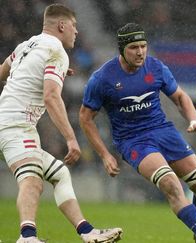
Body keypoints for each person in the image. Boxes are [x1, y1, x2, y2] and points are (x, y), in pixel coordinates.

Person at [79, 22, 196, 243]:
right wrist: (104, 154)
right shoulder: (102, 78)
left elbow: (181, 97)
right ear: (121, 49)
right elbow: (85, 118)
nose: (140, 52)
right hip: (134, 141)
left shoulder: (156, 67)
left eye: (143, 46)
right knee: (171, 184)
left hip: (164, 131)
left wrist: (193, 120)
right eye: (133, 47)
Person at [0, 4, 122, 243]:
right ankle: (27, 237)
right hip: (16, 125)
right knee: (32, 179)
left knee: (59, 174)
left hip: (10, 122)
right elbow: (51, 96)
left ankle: (87, 232)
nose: (76, 31)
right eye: (74, 26)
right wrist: (70, 137)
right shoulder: (56, 50)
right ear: (62, 25)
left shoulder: (27, 45)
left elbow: (3, 70)